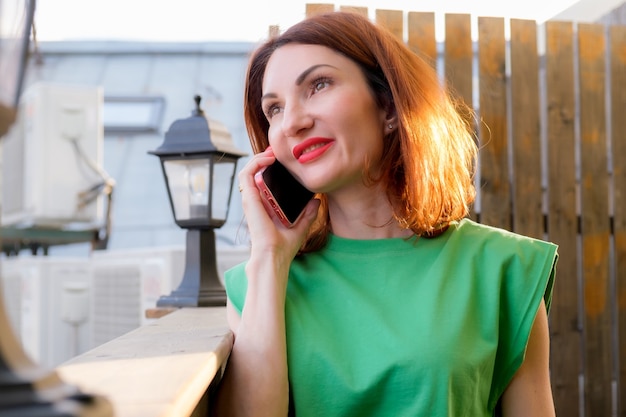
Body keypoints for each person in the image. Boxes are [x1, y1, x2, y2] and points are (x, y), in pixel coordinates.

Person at [211, 11, 558, 417]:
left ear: (390, 106)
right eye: (273, 109)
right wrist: (269, 258)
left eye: (318, 85)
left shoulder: (505, 269)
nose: (292, 123)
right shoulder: (256, 289)